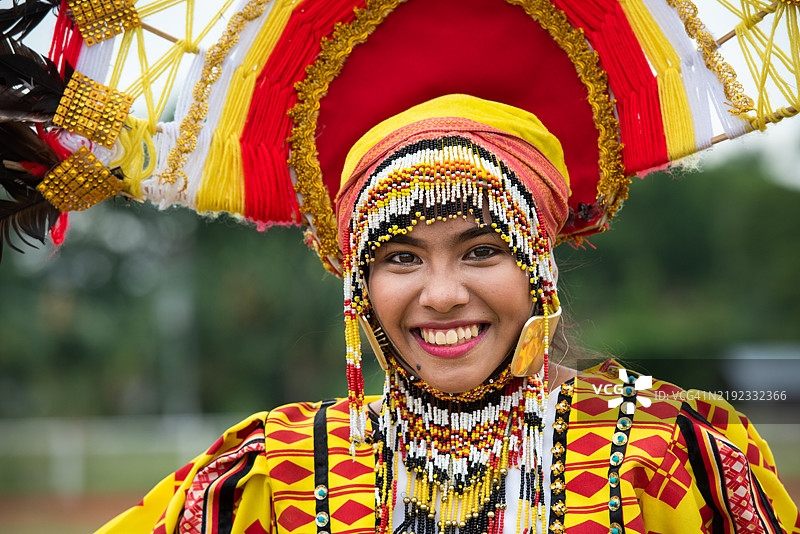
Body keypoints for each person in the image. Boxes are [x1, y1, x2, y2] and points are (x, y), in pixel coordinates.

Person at [95, 95, 798, 534]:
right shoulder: (275, 475)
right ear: (359, 288)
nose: (440, 295)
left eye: (481, 251)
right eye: (400, 258)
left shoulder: (664, 457)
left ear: (538, 270)